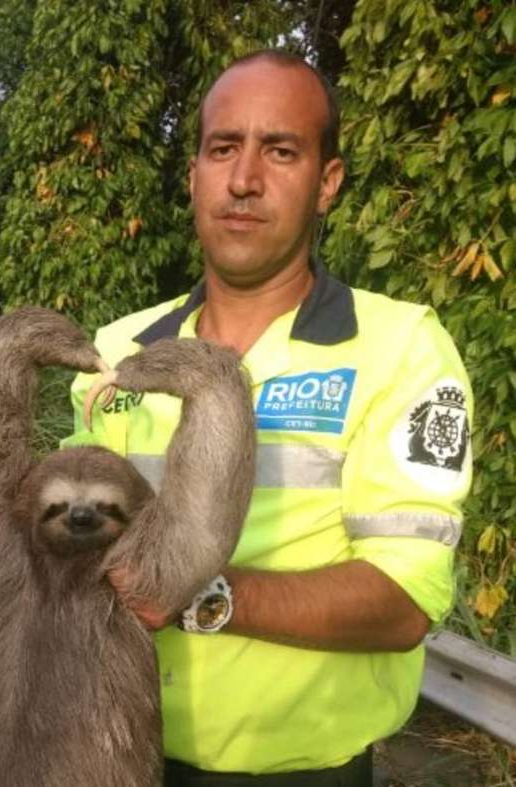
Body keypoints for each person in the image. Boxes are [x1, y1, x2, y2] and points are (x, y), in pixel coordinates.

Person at [63, 49, 473, 787]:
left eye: (280, 151)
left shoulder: (401, 347)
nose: (244, 179)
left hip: (304, 773)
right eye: (223, 148)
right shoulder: (119, 350)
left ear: (328, 183)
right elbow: (69, 535)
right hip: (113, 752)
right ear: (193, 176)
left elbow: (405, 598)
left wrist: (198, 595)